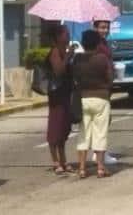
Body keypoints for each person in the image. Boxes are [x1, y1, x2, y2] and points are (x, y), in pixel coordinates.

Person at [73, 29, 113, 179]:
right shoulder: (102, 58)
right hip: (101, 98)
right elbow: (110, 78)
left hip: (83, 98)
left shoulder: (77, 59)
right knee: (100, 133)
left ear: (83, 43)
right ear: (97, 44)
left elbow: (74, 77)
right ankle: (101, 168)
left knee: (83, 133)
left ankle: (82, 168)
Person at [46, 23, 75, 175]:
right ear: (58, 37)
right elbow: (58, 71)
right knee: (55, 128)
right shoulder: (55, 52)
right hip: (56, 95)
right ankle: (56, 161)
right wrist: (68, 57)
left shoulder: (65, 50)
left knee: (64, 128)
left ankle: (64, 159)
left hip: (65, 93)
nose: (68, 36)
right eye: (65, 33)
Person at [92, 19, 117, 166]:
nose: (105, 30)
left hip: (105, 86)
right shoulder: (97, 45)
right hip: (100, 86)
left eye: (107, 27)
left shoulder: (104, 43)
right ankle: (99, 153)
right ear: (95, 28)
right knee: (101, 121)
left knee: (104, 120)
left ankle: (100, 151)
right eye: (102, 27)